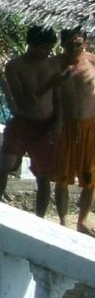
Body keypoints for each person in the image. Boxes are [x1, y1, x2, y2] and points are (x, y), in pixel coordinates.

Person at [0, 26, 62, 217]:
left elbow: (58, 98)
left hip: (45, 126)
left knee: (43, 176)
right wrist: (49, 85)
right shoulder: (15, 66)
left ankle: (40, 218)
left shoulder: (53, 65)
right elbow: (22, 100)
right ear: (32, 45)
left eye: (50, 48)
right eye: (44, 48)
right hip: (22, 122)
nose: (47, 52)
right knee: (4, 165)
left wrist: (58, 122)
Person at [52, 28, 95, 233]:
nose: (74, 48)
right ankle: (62, 219)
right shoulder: (56, 64)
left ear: (85, 43)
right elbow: (47, 91)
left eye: (78, 44)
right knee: (62, 177)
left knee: (90, 178)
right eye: (69, 44)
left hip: (90, 126)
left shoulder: (93, 62)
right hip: (67, 125)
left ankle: (82, 220)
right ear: (63, 45)